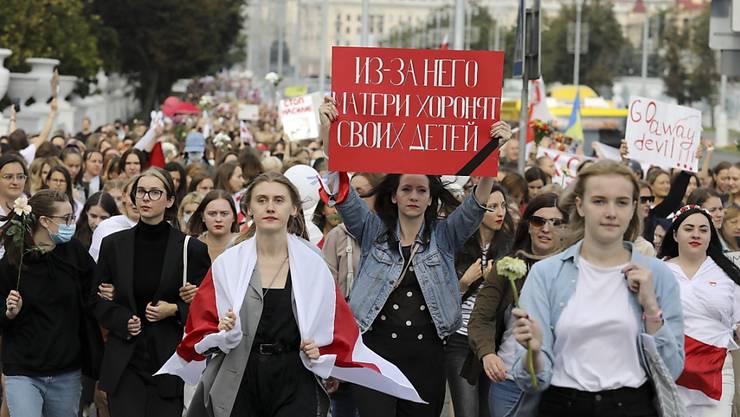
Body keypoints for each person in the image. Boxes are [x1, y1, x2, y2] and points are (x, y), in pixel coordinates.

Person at [319, 96, 511, 417]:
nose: (413, 196)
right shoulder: (372, 230)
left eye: (421, 190)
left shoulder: (445, 236)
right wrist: (330, 135)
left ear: (431, 199)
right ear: (393, 195)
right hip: (376, 351)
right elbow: (342, 193)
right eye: (406, 189)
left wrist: (493, 153)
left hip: (428, 354)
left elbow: (477, 203)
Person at [511, 160, 684, 417]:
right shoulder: (546, 274)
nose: (611, 212)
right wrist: (533, 354)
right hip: (562, 405)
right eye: (599, 201)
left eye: (622, 202)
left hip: (633, 406)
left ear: (634, 207)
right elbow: (532, 381)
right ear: (580, 205)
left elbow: (671, 370)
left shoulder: (658, 276)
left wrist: (650, 308)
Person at [183, 172, 329, 416]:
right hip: (241, 374)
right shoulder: (229, 262)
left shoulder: (312, 261)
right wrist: (221, 329)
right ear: (249, 209)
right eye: (261, 200)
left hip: (294, 373)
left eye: (278, 200)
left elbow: (331, 321)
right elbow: (199, 324)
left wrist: (320, 348)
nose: (270, 207)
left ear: (294, 208)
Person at [92, 168, 210, 417]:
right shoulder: (113, 245)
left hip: (169, 361)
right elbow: (96, 300)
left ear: (169, 200)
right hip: (126, 360)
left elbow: (206, 306)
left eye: (155, 192)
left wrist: (174, 309)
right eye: (141, 192)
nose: (146, 198)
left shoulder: (191, 249)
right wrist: (122, 319)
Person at [0, 190, 103, 417]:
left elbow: (93, 293)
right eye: (65, 219)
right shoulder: (13, 260)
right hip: (23, 370)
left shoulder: (74, 252)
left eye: (72, 217)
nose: (71, 224)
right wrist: (8, 312)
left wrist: (107, 291)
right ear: (45, 221)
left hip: (67, 371)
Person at [467, 193, 567, 417]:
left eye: (556, 223)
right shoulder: (507, 267)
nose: (546, 229)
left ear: (567, 229)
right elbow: (481, 317)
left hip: (558, 382)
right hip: (510, 378)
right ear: (528, 226)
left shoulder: (576, 272)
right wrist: (487, 354)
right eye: (538, 221)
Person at [658, 205, 740, 417]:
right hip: (669, 373)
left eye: (703, 229)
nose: (696, 234)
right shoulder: (657, 271)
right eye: (689, 228)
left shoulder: (728, 274)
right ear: (675, 234)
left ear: (711, 235)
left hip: (716, 372)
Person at [447, 184, 516, 417]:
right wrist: (465, 283)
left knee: (489, 411)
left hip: (491, 339)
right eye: (492, 207)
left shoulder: (509, 247)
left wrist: (494, 282)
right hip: (459, 339)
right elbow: (443, 302)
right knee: (467, 411)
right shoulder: (458, 244)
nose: (500, 213)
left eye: (503, 206)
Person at [89, 177, 140, 262]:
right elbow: (95, 266)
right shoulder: (106, 227)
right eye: (132, 195)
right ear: (124, 196)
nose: (136, 201)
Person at [187, 190, 239, 260]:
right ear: (203, 217)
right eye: (212, 214)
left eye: (224, 214)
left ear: (234, 217)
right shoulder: (192, 246)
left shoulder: (245, 244)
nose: (218, 219)